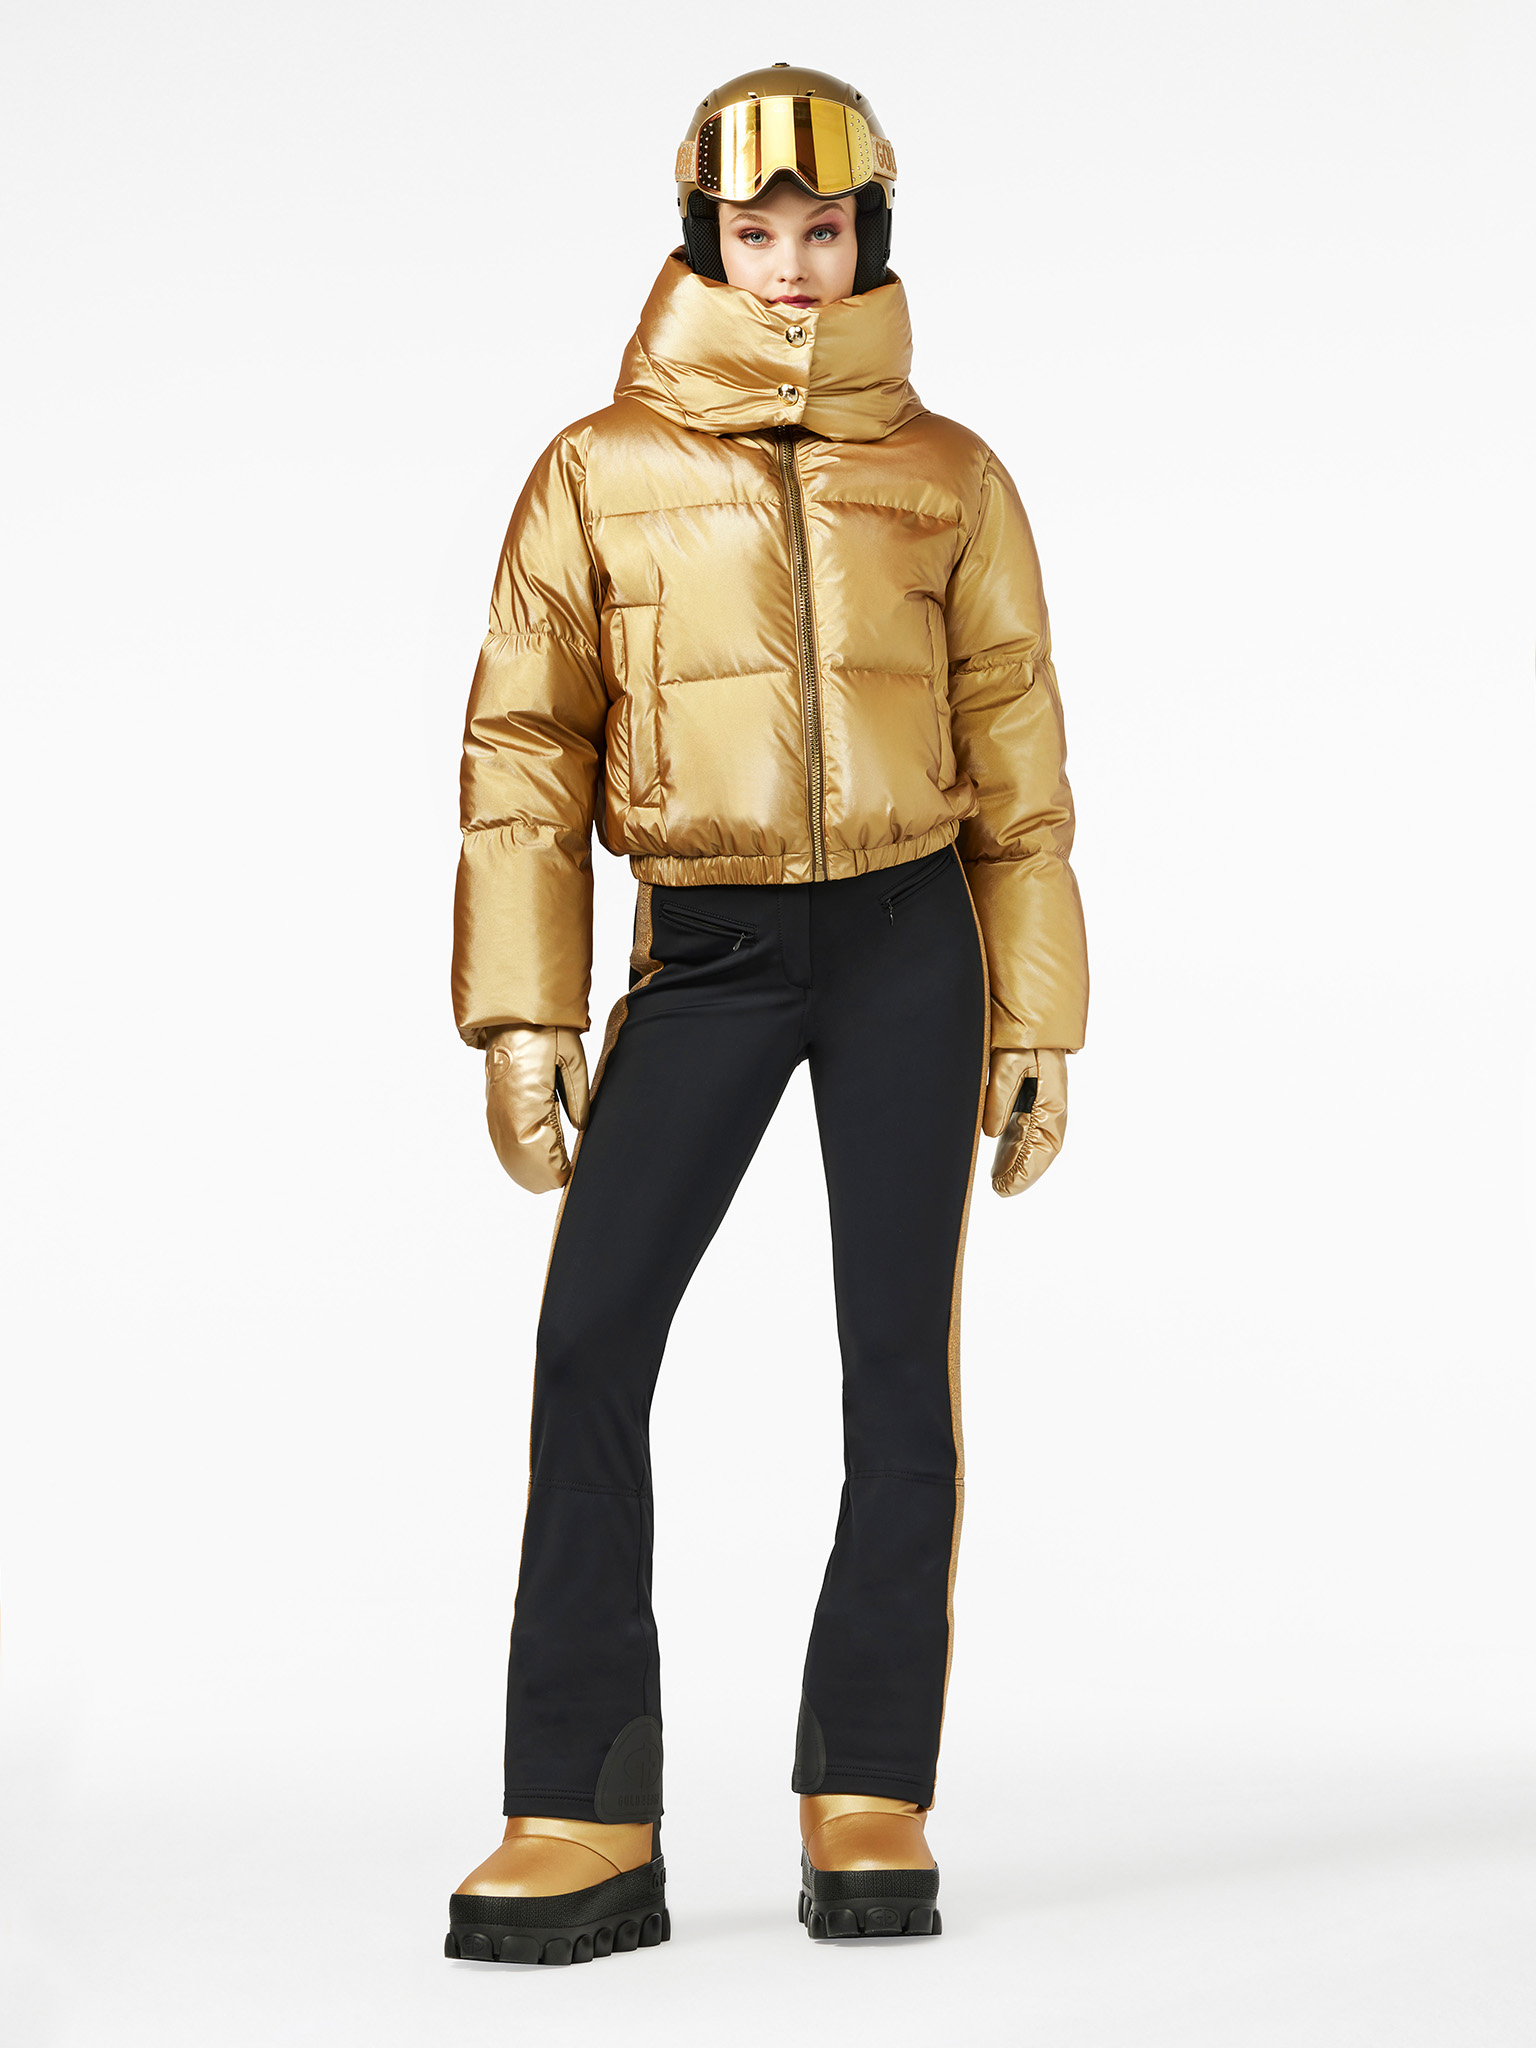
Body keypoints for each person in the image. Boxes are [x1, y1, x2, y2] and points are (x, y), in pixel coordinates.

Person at [443, 63, 1089, 1968]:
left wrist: (1038, 1009)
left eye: (823, 231)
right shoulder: (595, 471)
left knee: (900, 1371)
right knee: (591, 1341)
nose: (792, 267)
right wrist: (524, 1013)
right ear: (702, 241)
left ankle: (868, 1790)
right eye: (755, 233)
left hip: (910, 939)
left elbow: (1020, 759)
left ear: (868, 237)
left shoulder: (951, 475)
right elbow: (523, 751)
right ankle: (581, 1803)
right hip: (710, 949)